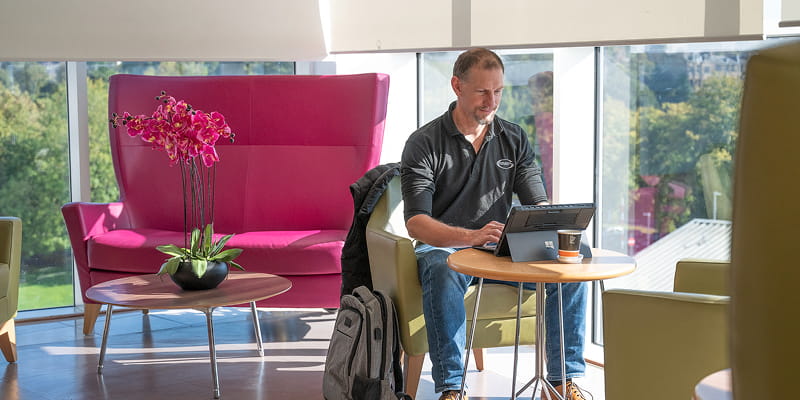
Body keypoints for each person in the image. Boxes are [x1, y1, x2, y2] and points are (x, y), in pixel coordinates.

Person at [400, 48, 589, 400]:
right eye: (482, 92)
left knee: (574, 258)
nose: (492, 101)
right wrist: (471, 235)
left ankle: (563, 381)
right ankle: (452, 389)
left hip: (498, 249)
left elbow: (538, 201)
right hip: (445, 247)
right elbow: (417, 223)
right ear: (457, 86)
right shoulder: (424, 143)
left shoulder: (513, 137)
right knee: (442, 268)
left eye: (498, 91)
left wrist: (545, 222)